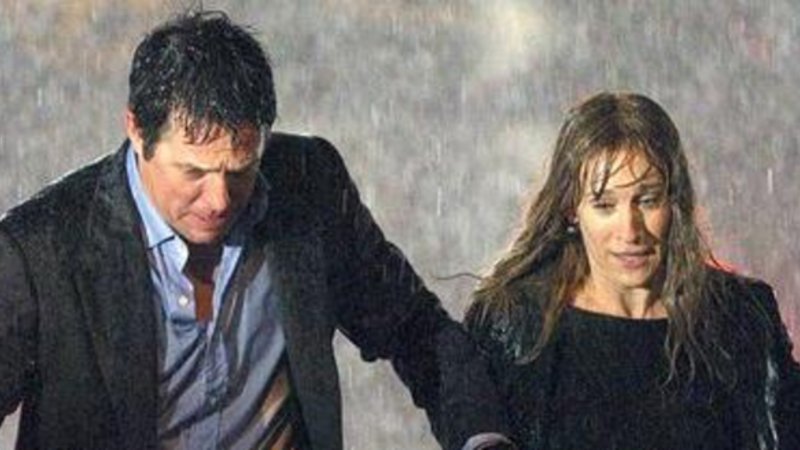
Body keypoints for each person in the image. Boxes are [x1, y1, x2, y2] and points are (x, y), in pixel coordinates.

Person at [0, 11, 511, 450]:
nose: (219, 200)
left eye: (240, 170)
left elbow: (415, 329)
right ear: (136, 130)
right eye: (194, 172)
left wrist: (484, 439)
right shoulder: (39, 250)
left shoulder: (309, 184)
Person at [465, 92, 800, 449]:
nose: (630, 230)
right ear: (571, 209)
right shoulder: (514, 327)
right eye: (605, 204)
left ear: (674, 201)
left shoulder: (741, 317)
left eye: (647, 200)